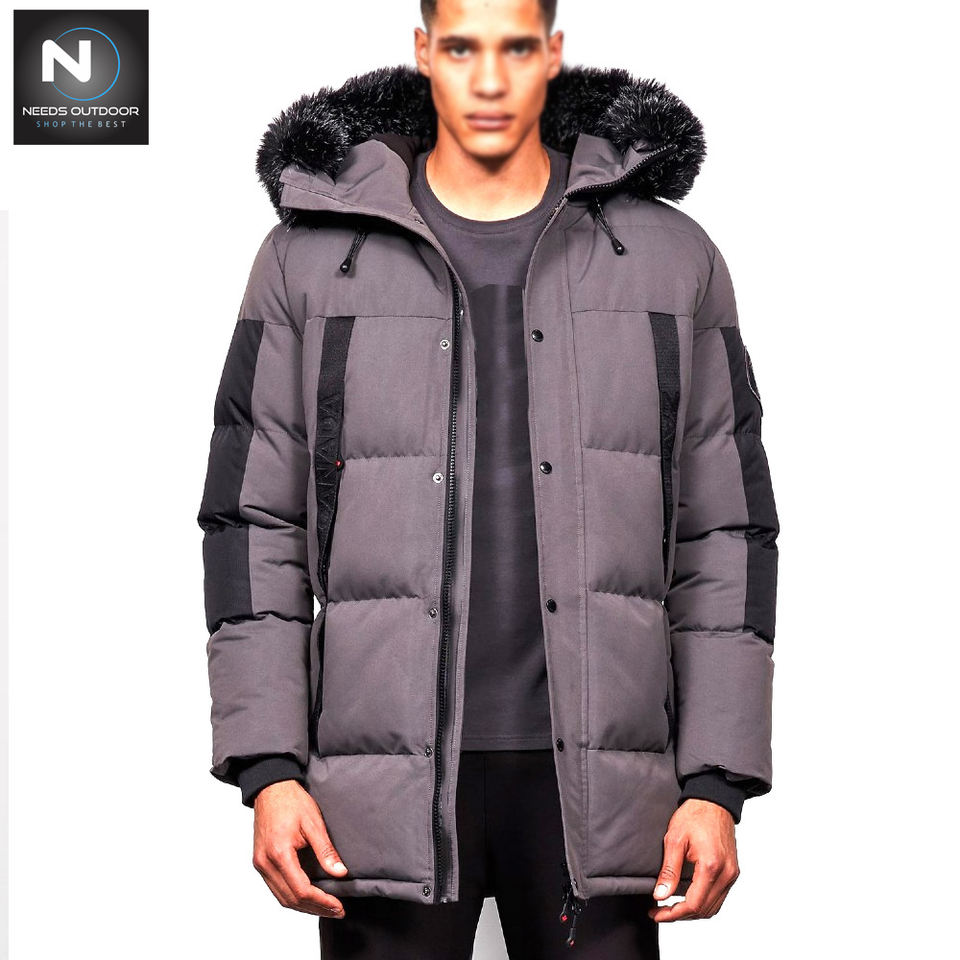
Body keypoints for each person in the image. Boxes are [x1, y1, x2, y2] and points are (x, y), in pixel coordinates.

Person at [196, 0, 780, 956]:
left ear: (553, 53)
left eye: (516, 47)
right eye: (464, 47)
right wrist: (269, 769)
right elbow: (251, 524)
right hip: (375, 797)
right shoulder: (309, 258)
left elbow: (727, 533)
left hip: (607, 794)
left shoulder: (671, 259)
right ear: (424, 51)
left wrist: (716, 784)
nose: (491, 79)